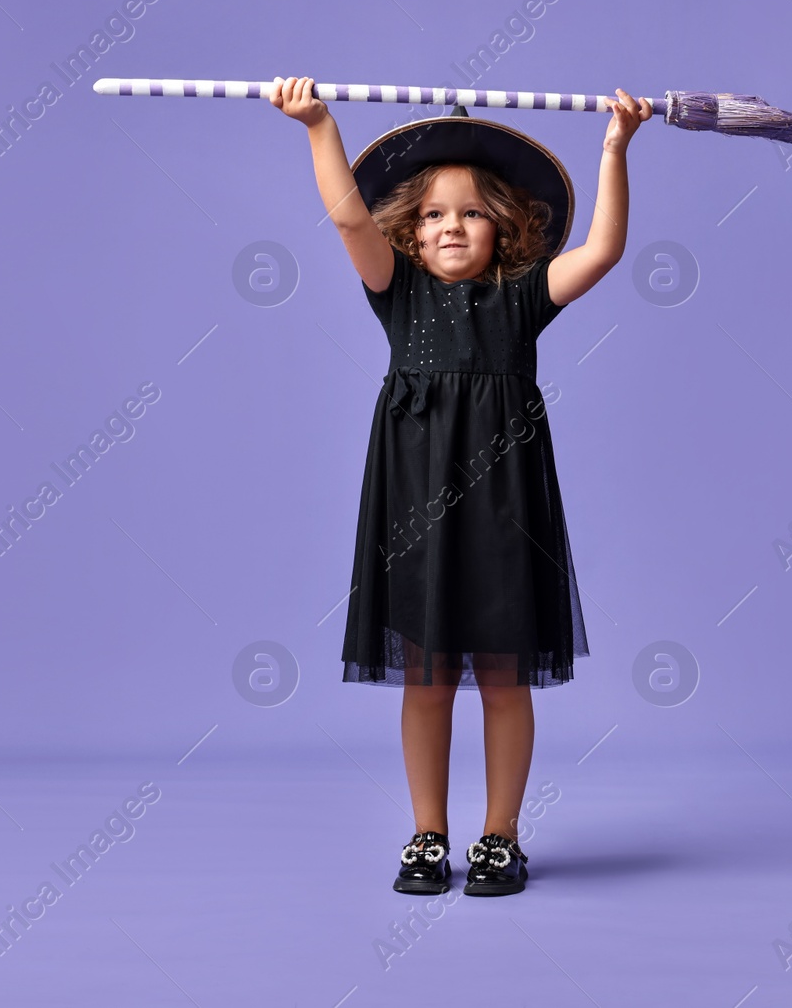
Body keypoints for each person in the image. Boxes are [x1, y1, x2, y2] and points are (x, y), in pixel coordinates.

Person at [270, 75, 650, 896]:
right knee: (428, 675)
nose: (452, 226)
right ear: (408, 228)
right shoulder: (396, 293)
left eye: (473, 212)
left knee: (506, 677)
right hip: (416, 505)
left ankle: (500, 836)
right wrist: (317, 125)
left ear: (504, 228)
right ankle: (427, 834)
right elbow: (344, 213)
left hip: (507, 507)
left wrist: (615, 148)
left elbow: (606, 250)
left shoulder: (523, 299)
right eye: (436, 213)